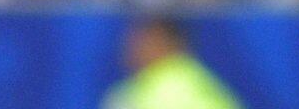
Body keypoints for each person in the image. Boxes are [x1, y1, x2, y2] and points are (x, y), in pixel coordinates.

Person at [101, 18, 244, 109]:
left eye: (143, 42)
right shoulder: (197, 76)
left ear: (166, 43)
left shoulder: (171, 87)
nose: (132, 48)